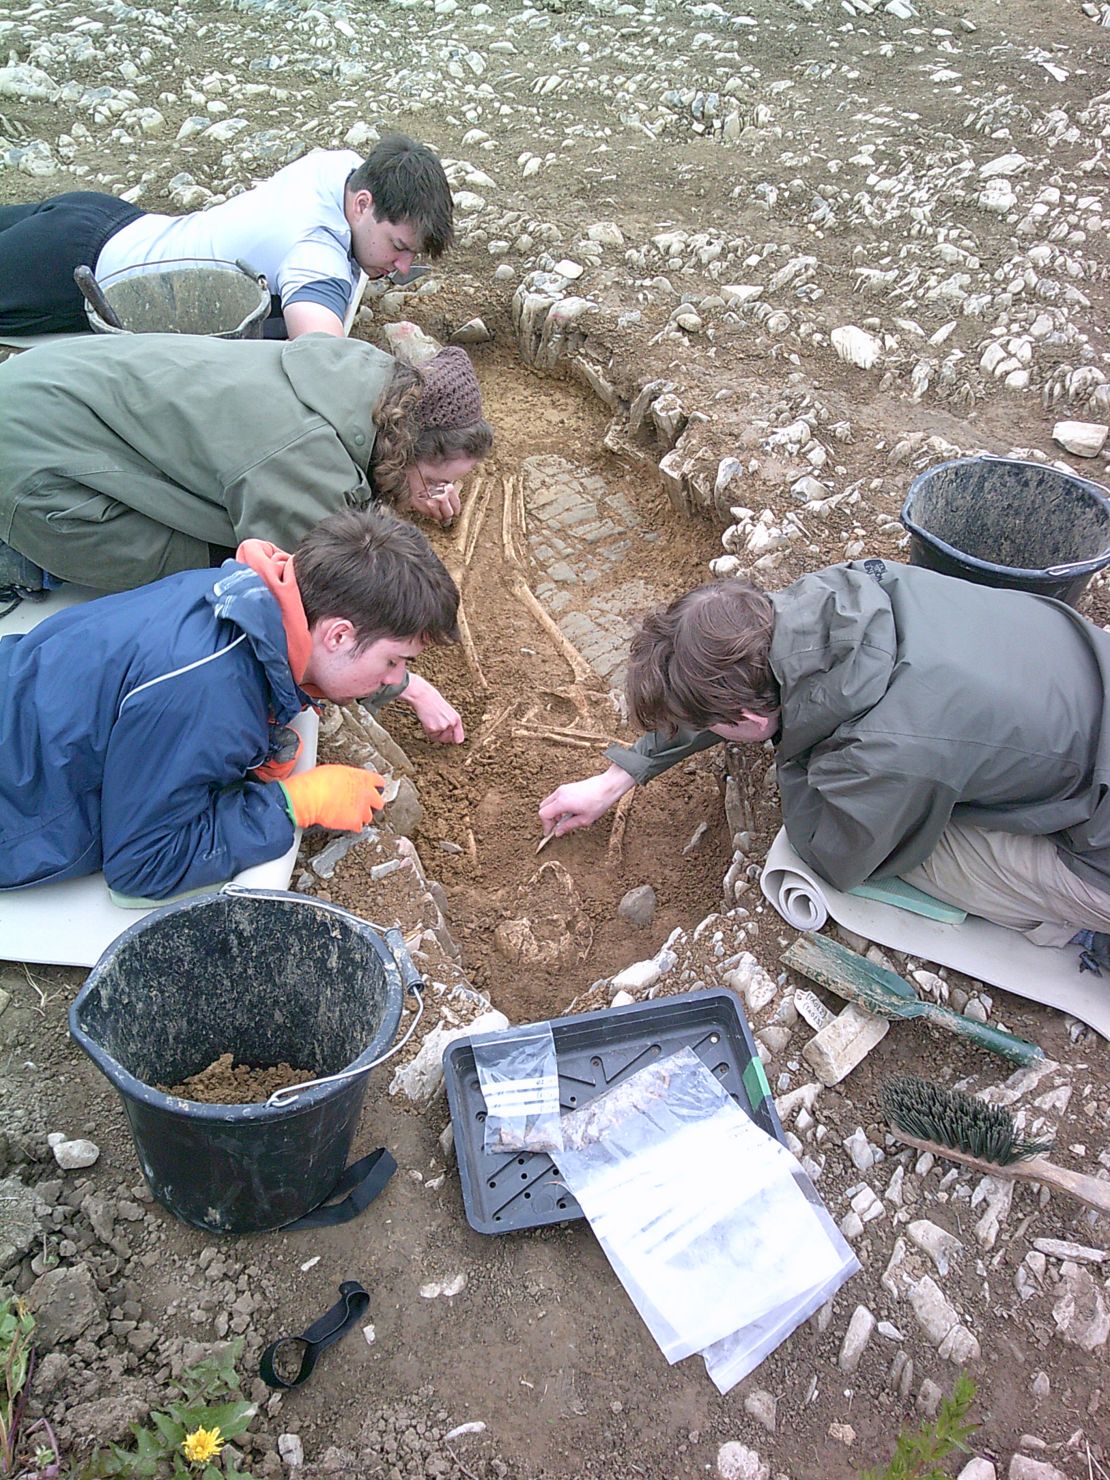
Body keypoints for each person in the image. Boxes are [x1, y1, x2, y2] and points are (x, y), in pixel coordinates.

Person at [539, 558, 1110, 966]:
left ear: (749, 719)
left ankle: (1072, 925)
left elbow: (839, 854)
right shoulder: (834, 595)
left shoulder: (880, 750)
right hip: (1082, 680)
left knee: (914, 850)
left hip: (1099, 852)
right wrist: (620, 776)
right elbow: (731, 693)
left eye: (719, 727)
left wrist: (798, 760)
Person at [0, 506, 463, 902]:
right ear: (339, 634)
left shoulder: (239, 596)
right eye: (394, 661)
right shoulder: (207, 691)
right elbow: (142, 865)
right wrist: (291, 804)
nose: (396, 680)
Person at [0, 336, 491, 597]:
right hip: (33, 459)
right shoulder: (304, 459)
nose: (439, 493)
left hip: (45, 381)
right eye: (437, 480)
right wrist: (397, 683)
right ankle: (25, 564)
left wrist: (413, 487)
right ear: (406, 447)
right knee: (219, 568)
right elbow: (306, 590)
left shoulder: (356, 379)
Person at [0, 133, 453, 339]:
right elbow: (324, 359)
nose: (401, 268)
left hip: (106, 217)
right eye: (399, 246)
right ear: (362, 205)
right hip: (74, 271)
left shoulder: (341, 168)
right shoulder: (317, 253)